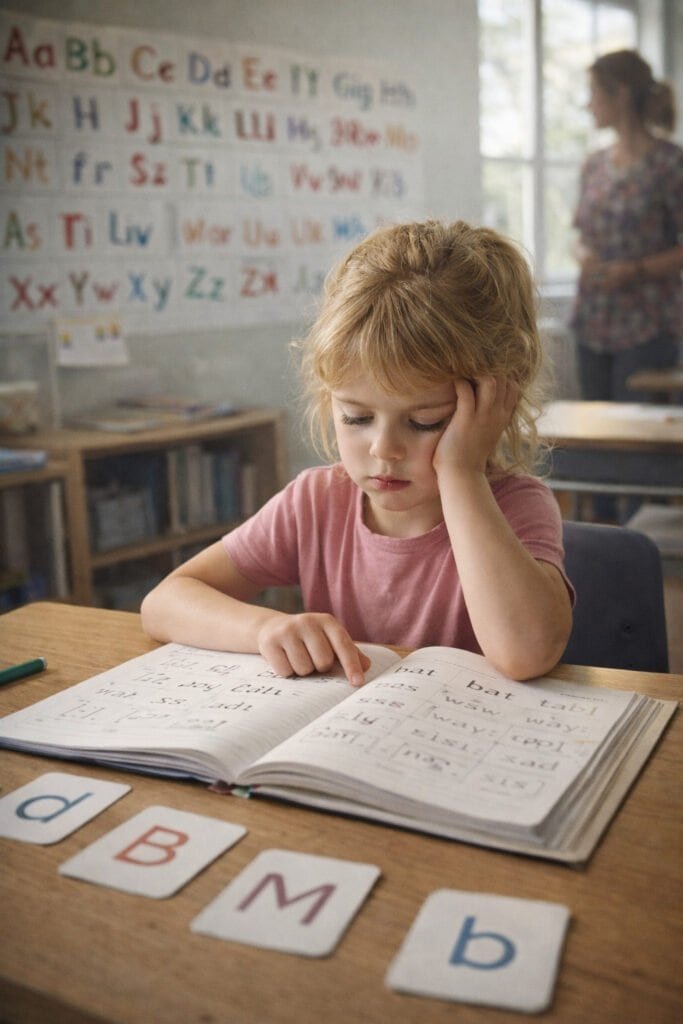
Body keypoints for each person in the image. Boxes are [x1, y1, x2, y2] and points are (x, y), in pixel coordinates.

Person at [141, 220, 573, 684]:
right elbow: (164, 602)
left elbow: (524, 654)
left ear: (495, 403)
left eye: (425, 421)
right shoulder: (317, 501)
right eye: (357, 418)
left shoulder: (518, 506)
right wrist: (265, 626)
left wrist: (461, 473)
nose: (384, 449)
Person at [571, 49, 683, 405]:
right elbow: (580, 237)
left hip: (648, 324)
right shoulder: (594, 165)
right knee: (597, 433)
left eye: (593, 93)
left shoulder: (669, 164)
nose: (588, 104)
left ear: (620, 93)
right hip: (592, 318)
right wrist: (584, 255)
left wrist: (633, 270)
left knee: (638, 441)